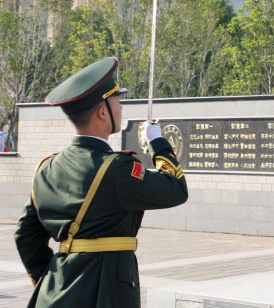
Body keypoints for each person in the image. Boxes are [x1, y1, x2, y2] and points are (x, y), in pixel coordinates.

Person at [14, 56, 189, 308]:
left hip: (53, 294)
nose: (121, 108)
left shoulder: (46, 168)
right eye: (117, 101)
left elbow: (26, 236)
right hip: (104, 292)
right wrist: (157, 143)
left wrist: (49, 278)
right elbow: (176, 189)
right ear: (102, 111)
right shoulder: (117, 169)